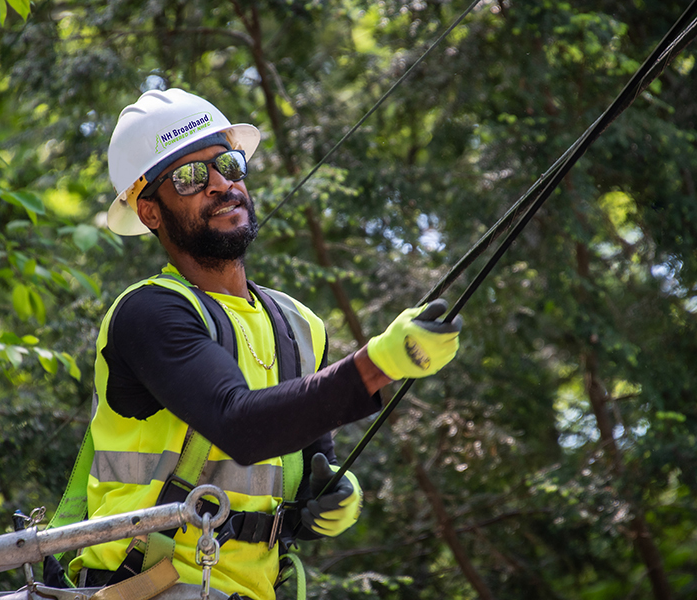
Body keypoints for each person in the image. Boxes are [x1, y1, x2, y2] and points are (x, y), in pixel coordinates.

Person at [67, 88, 462, 599]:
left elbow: (297, 451)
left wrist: (329, 496)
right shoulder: (150, 313)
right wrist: (380, 363)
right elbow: (242, 425)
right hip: (146, 586)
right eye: (189, 177)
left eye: (228, 165)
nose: (220, 185)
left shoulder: (300, 324)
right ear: (149, 213)